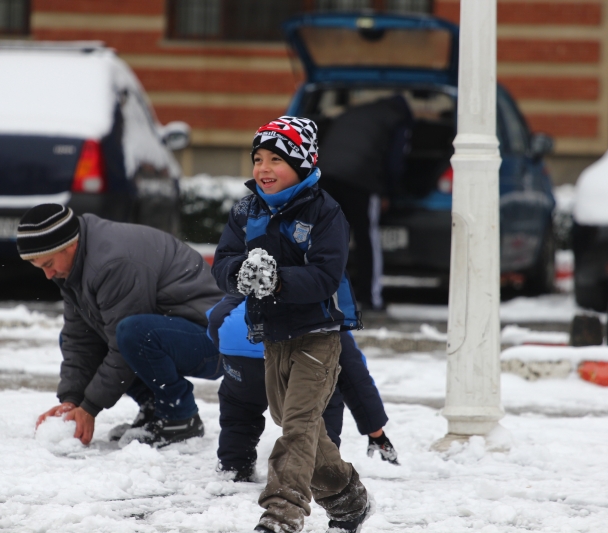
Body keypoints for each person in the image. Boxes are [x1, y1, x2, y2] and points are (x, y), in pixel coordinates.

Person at [212, 116, 371, 533]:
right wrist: (240, 273)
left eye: (276, 160)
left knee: (298, 427)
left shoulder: (325, 212)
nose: (263, 169)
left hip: (317, 334)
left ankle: (282, 512)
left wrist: (278, 279)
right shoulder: (247, 210)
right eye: (258, 159)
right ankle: (348, 497)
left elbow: (325, 275)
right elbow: (223, 260)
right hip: (272, 335)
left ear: (301, 165)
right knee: (296, 423)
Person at [20, 204, 224, 447]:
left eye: (48, 264)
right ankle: (154, 407)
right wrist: (71, 400)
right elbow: (79, 338)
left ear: (69, 246)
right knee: (85, 335)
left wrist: (90, 407)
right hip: (173, 330)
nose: (48, 275)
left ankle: (179, 417)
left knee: (133, 334)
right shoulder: (74, 264)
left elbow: (123, 345)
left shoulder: (112, 262)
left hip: (216, 341)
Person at [209, 296, 399, 484]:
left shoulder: (254, 290)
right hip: (299, 346)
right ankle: (319, 469)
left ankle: (234, 466)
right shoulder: (327, 318)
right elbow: (356, 379)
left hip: (239, 341)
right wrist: (377, 433)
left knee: (240, 406)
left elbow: (217, 316)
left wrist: (225, 346)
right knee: (321, 402)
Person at [316, 94, 413, 311]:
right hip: (360, 178)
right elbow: (395, 162)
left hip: (325, 175)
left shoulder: (352, 113)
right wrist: (388, 191)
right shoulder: (398, 120)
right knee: (366, 236)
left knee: (326, 237)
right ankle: (370, 298)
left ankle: (318, 297)